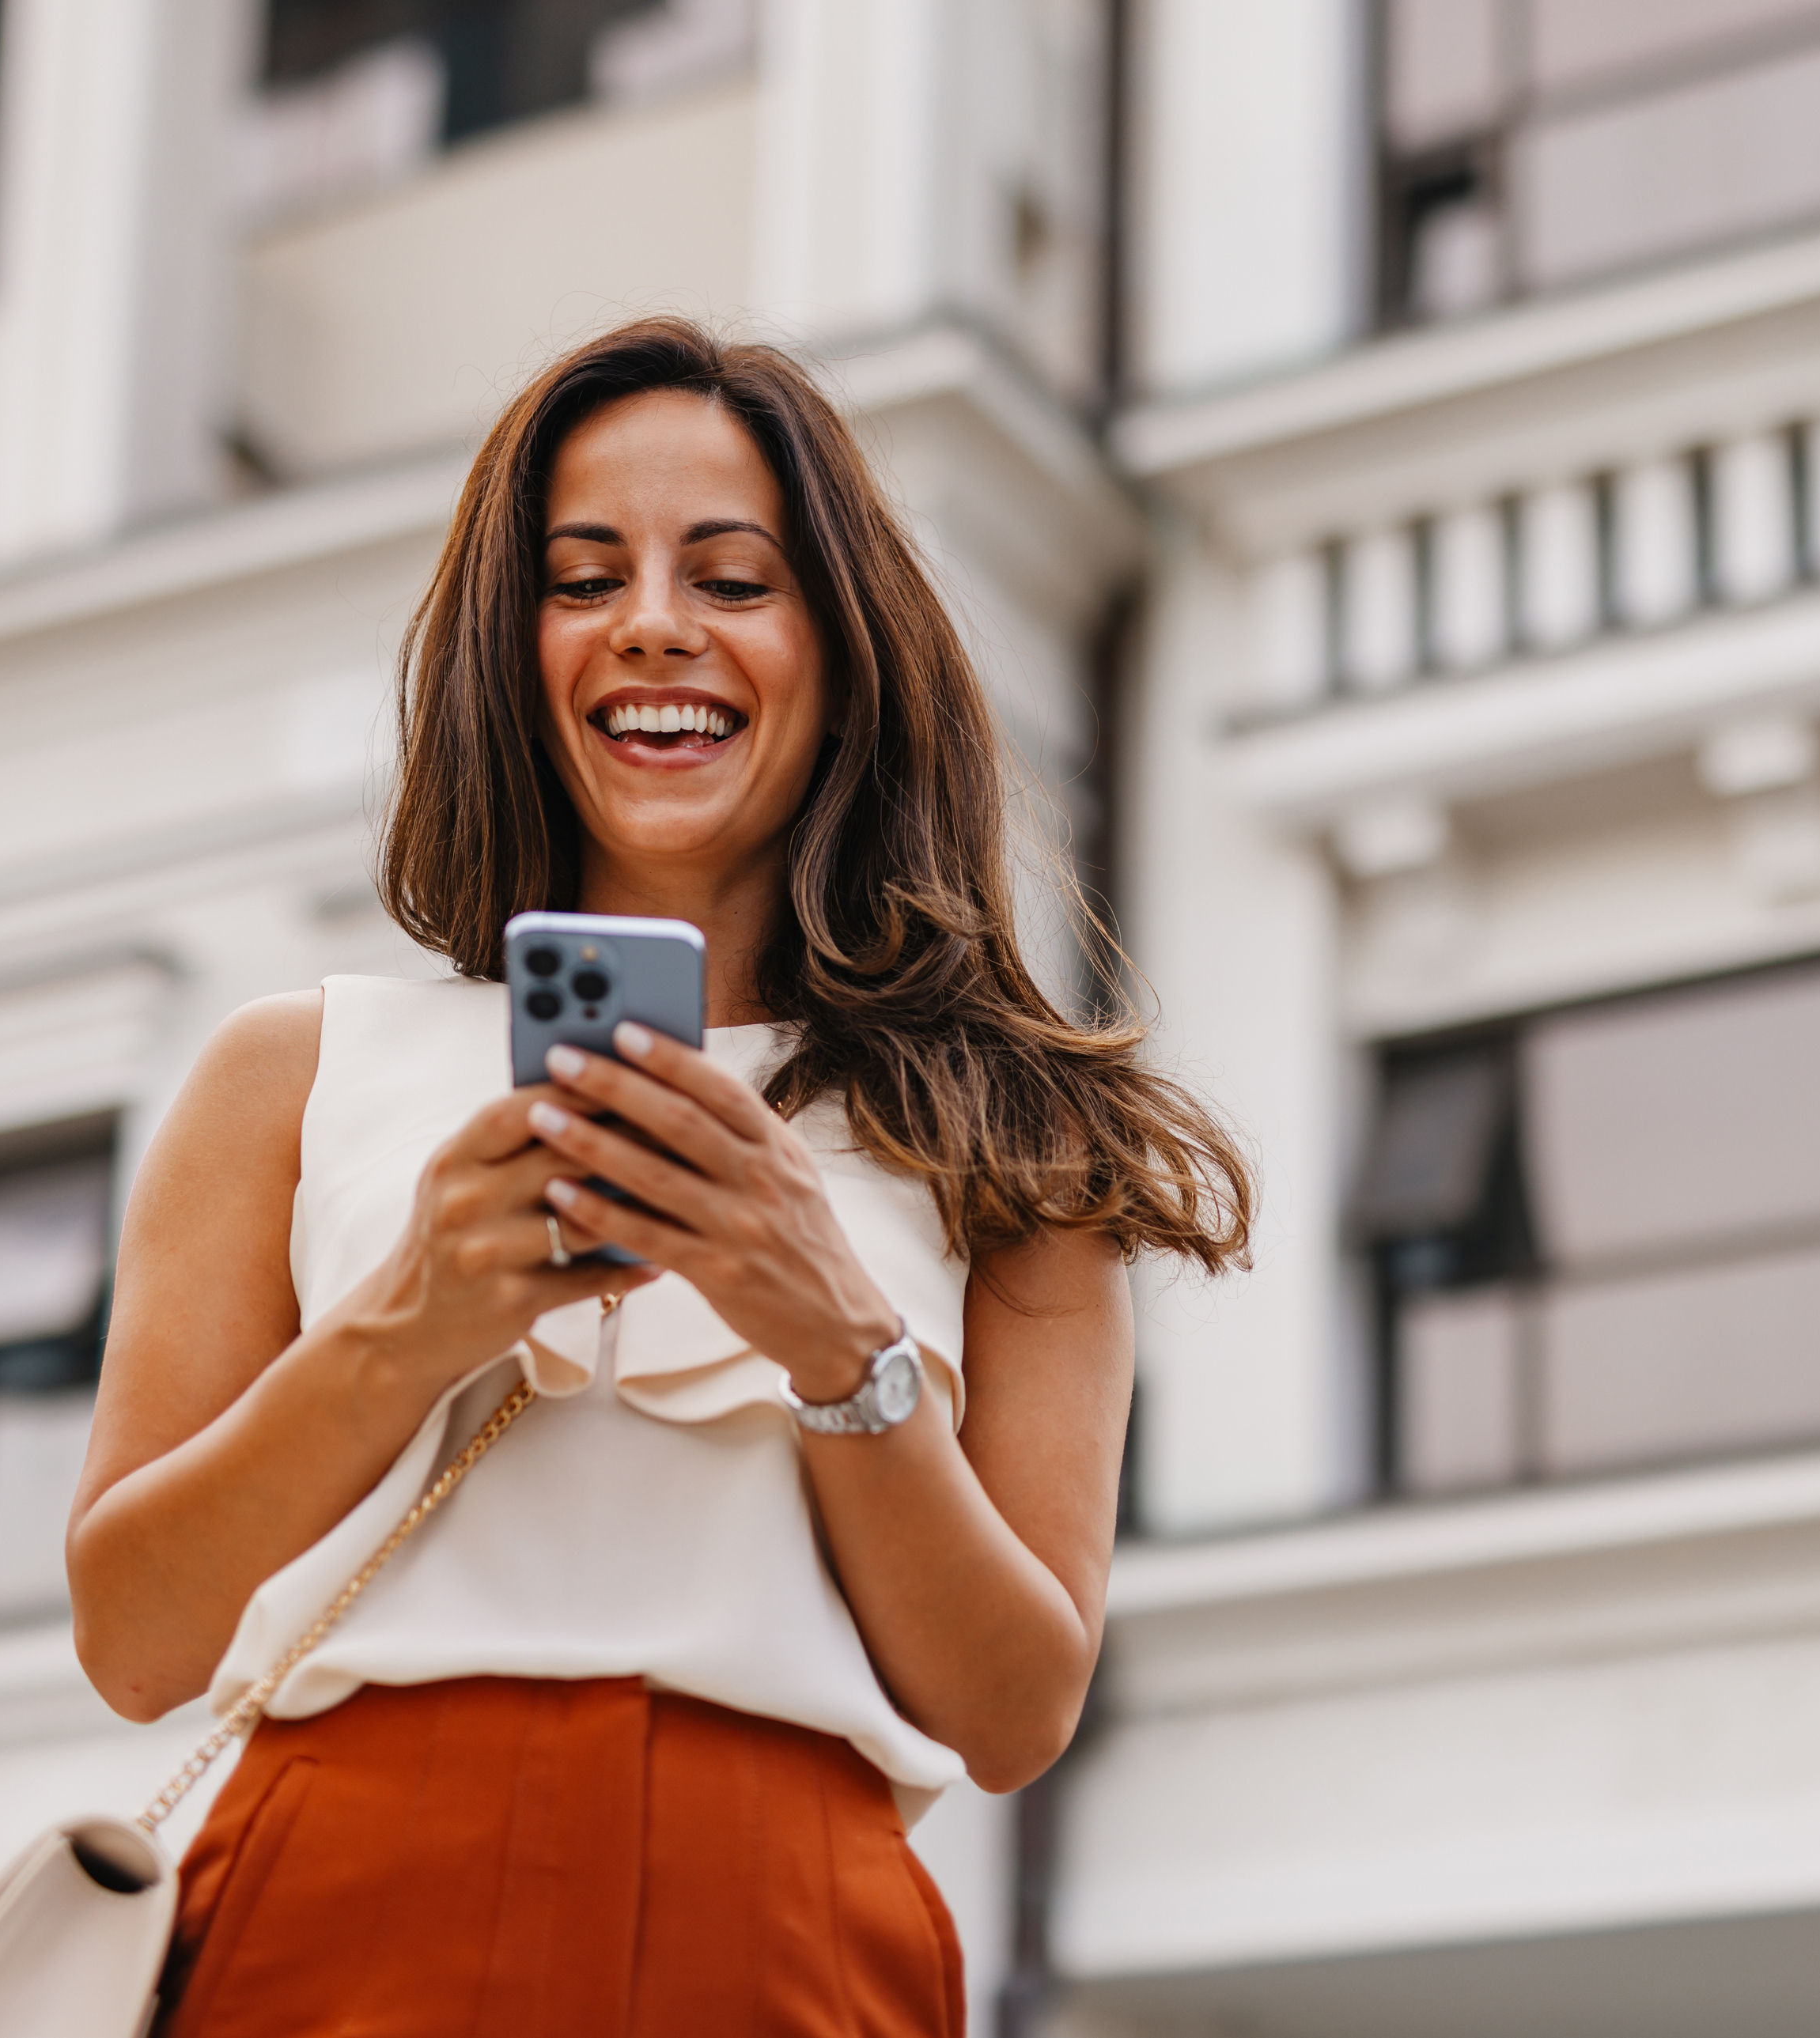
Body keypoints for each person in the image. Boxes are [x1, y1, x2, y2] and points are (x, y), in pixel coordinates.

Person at [68, 316, 1251, 2038]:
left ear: (840, 645)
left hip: (781, 1940)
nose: (653, 625)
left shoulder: (1009, 1143)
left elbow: (1010, 1708)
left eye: (734, 574)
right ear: (511, 643)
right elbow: (133, 1635)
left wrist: (839, 1333)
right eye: (583, 573)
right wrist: (404, 1327)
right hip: (336, 1914)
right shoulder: (294, 1073)